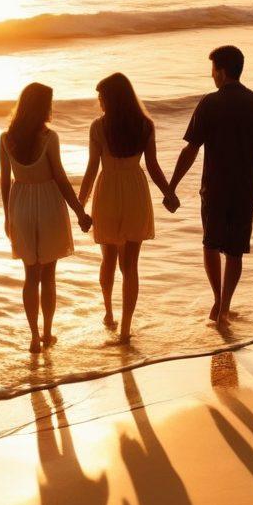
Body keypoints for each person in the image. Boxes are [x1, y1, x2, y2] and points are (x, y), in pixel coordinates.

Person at [166, 45, 253, 327]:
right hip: (246, 188)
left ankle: (217, 299)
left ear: (222, 71)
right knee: (235, 250)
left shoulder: (210, 103)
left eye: (213, 70)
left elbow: (191, 149)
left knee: (210, 244)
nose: (211, 75)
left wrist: (172, 186)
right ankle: (225, 306)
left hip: (214, 188)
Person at [78, 72, 174, 344]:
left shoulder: (98, 127)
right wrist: (168, 193)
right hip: (135, 192)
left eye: (101, 97)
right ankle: (126, 328)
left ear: (111, 98)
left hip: (107, 191)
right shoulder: (144, 125)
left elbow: (91, 169)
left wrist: (80, 205)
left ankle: (109, 313)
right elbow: (153, 166)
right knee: (130, 266)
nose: (99, 101)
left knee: (108, 258)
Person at [0, 82, 91, 354]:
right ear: (42, 107)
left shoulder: (6, 138)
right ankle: (48, 333)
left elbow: (4, 183)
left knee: (30, 275)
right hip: (49, 205)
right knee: (48, 275)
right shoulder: (50, 138)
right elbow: (60, 179)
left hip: (20, 206)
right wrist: (80, 212)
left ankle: (34, 337)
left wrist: (7, 216)